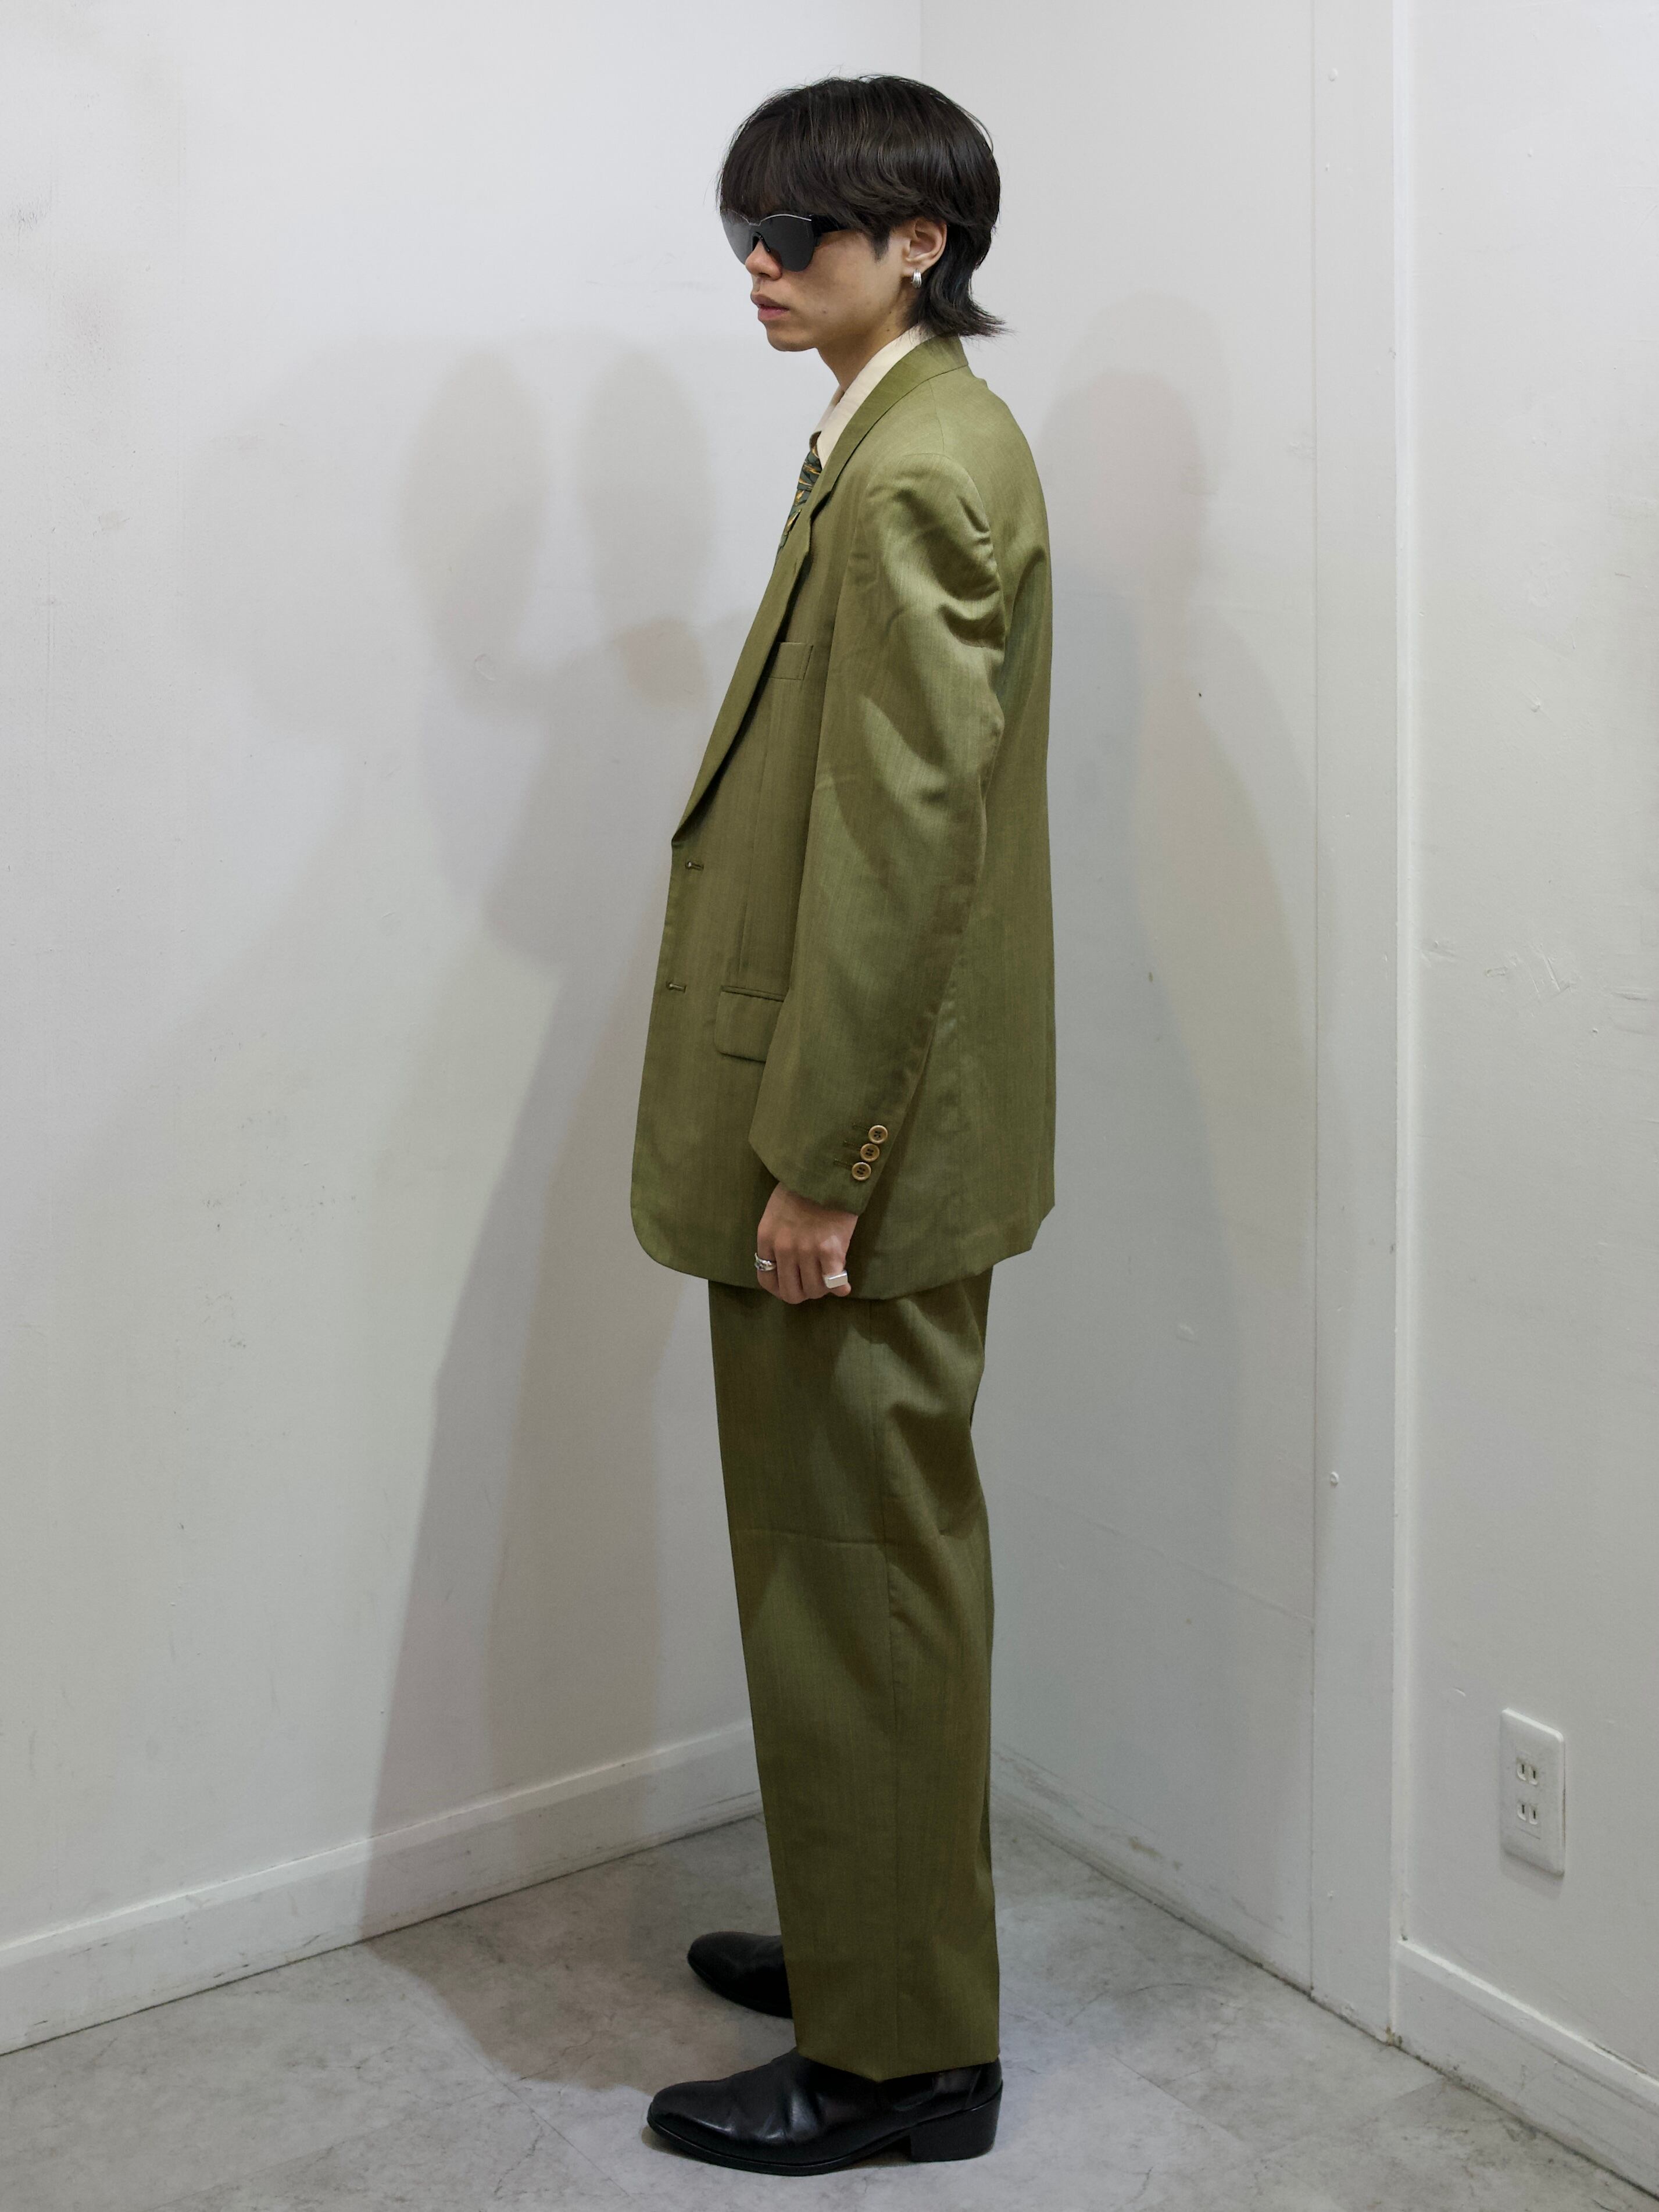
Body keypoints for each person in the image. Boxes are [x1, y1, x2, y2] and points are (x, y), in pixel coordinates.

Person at [629, 72, 1054, 2177]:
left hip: (859, 1148)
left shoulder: (918, 475)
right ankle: (872, 1938)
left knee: (862, 1579)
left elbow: (903, 856)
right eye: (750, 231)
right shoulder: (889, 438)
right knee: (855, 1566)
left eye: (797, 233)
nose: (762, 267)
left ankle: (903, 2064)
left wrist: (822, 1165)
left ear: (920, 244)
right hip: (871, 1120)